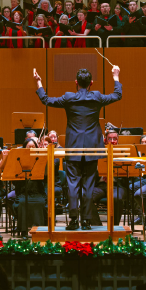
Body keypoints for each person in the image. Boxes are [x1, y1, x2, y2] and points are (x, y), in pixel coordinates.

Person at [35, 65, 122, 230]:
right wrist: (115, 76)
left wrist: (39, 82)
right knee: (88, 185)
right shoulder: (96, 96)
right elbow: (117, 95)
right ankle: (86, 221)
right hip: (92, 148)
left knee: (73, 184)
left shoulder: (69, 97)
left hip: (73, 147)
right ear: (91, 83)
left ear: (76, 82)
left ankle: (74, 220)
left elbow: (46, 100)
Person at [91, 129, 127, 226]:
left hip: (117, 185)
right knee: (86, 198)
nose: (112, 141)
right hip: (101, 185)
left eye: (114, 139)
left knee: (116, 198)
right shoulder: (99, 153)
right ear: (105, 141)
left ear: (118, 140)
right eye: (109, 139)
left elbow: (127, 173)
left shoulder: (124, 153)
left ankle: (114, 227)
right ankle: (98, 227)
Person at [12, 138, 46, 237]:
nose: (31, 149)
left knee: (40, 203)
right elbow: (14, 181)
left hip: (37, 192)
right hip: (23, 192)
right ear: (24, 148)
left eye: (33, 147)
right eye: (28, 147)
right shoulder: (18, 160)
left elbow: (46, 177)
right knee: (22, 203)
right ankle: (23, 231)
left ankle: (40, 230)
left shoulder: (40, 159)